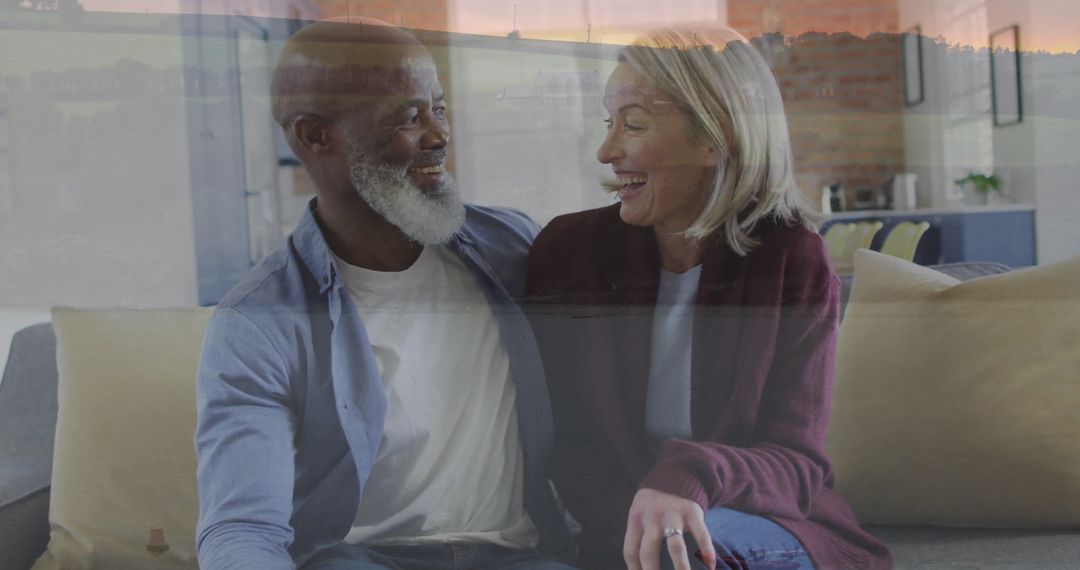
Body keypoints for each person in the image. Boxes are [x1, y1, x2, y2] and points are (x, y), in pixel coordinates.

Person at [194, 20, 574, 569]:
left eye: (438, 109)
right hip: (360, 560)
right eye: (408, 116)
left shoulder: (512, 248)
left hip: (518, 558)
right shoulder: (258, 322)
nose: (439, 136)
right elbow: (243, 527)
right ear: (314, 136)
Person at [525, 27, 893, 570]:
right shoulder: (568, 253)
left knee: (685, 552)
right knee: (670, 549)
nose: (606, 151)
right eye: (610, 124)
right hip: (627, 529)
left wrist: (690, 478)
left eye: (633, 124)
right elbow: (564, 442)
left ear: (715, 137)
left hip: (759, 518)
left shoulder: (792, 259)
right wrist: (636, 522)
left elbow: (796, 463)